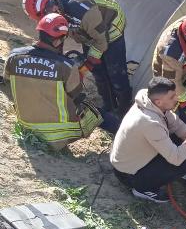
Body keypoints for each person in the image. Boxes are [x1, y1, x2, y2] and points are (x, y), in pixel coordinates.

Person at [4, 13, 116, 150]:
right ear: (57, 41)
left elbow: (9, 78)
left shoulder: (13, 56)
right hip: (56, 136)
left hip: (26, 126)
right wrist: (77, 72)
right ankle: (123, 131)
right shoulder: (66, 66)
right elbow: (77, 96)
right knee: (95, 111)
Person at [22, 0, 131, 116]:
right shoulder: (52, 3)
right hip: (87, 30)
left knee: (116, 74)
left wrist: (86, 66)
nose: (53, 13)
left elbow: (101, 41)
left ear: (52, 2)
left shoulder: (83, 12)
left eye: (52, 10)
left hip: (110, 26)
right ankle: (109, 105)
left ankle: (124, 111)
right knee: (98, 72)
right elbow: (57, 37)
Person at [110, 76, 186, 203]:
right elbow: (177, 159)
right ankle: (142, 189)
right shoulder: (149, 122)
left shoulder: (149, 100)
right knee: (185, 163)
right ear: (159, 102)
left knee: (183, 141)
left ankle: (150, 176)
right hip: (128, 174)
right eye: (172, 97)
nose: (177, 98)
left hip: (129, 160)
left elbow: (178, 126)